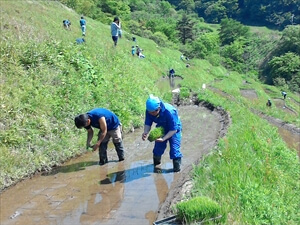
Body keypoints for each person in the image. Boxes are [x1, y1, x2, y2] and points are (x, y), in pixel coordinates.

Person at [142, 94, 183, 172]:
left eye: (153, 113)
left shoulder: (170, 112)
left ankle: (177, 170)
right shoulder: (149, 110)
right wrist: (145, 132)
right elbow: (148, 122)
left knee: (174, 150)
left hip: (174, 129)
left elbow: (173, 129)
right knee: (158, 149)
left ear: (158, 109)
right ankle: (156, 166)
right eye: (149, 112)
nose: (151, 114)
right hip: (161, 127)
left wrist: (163, 138)